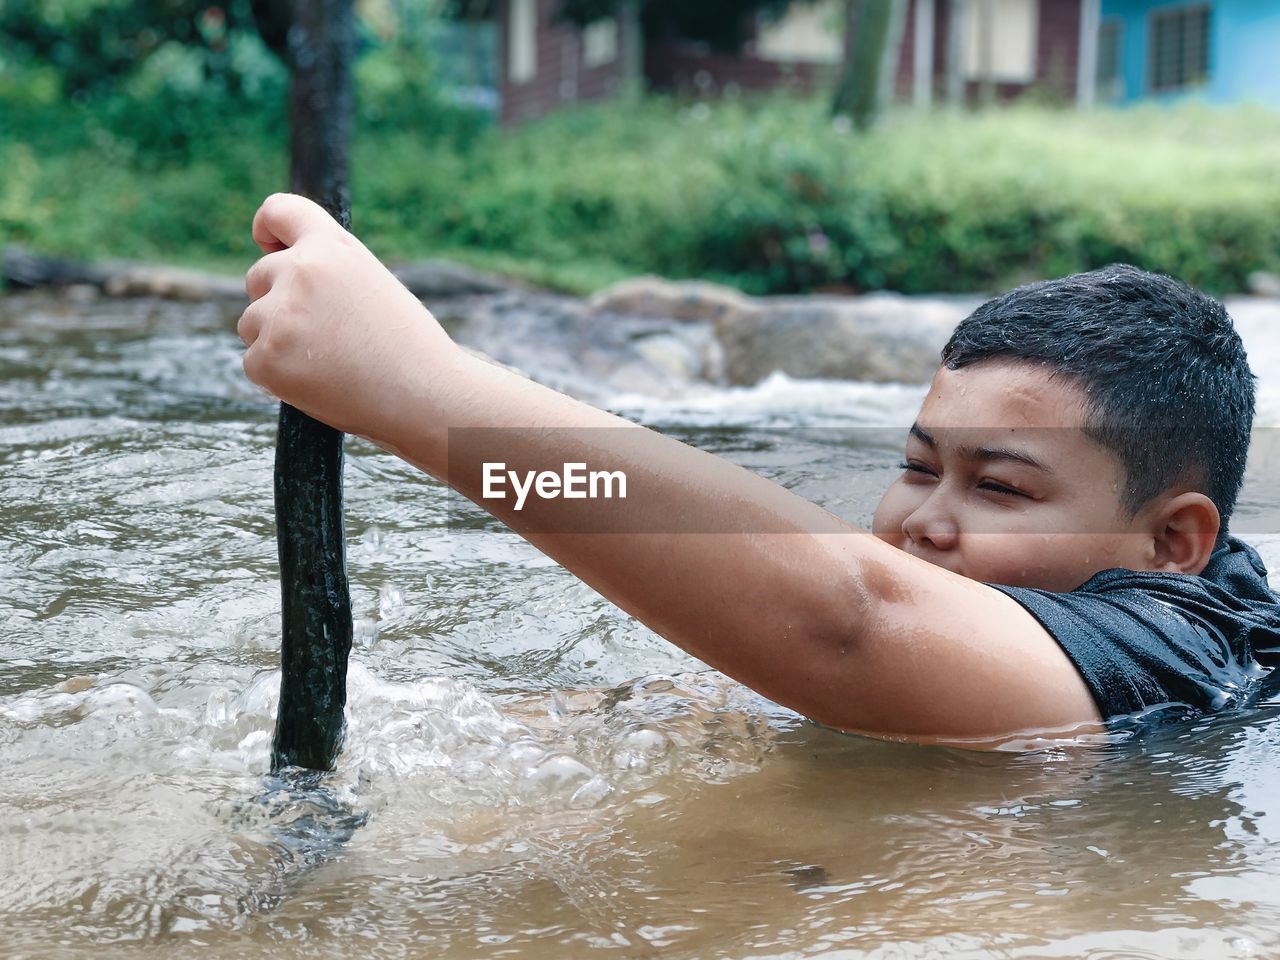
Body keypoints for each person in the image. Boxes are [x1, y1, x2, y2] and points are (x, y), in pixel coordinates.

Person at [238, 193, 1280, 748]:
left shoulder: (1190, 653)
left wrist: (420, 393)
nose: (924, 522)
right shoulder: (1055, 647)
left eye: (999, 486)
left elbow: (851, 619)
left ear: (1171, 543)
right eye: (918, 469)